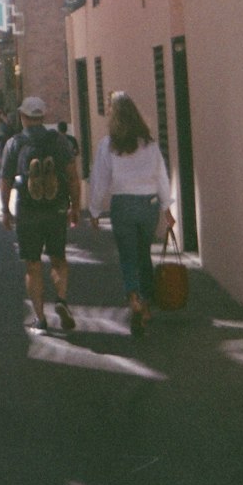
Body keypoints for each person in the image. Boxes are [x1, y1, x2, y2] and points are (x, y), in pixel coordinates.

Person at [88, 91, 173, 334]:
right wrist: (166, 208)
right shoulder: (149, 143)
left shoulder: (108, 144)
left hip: (122, 205)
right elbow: (161, 177)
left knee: (127, 256)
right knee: (144, 253)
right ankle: (146, 302)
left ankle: (133, 296)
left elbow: (100, 179)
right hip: (148, 205)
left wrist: (94, 209)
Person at [0, 96, 82, 333]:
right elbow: (73, 177)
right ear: (43, 117)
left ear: (23, 117)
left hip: (28, 211)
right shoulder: (59, 141)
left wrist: (5, 210)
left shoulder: (15, 143)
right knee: (58, 258)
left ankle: (40, 319)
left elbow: (5, 180)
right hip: (55, 208)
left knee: (32, 265)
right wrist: (74, 207)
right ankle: (61, 299)